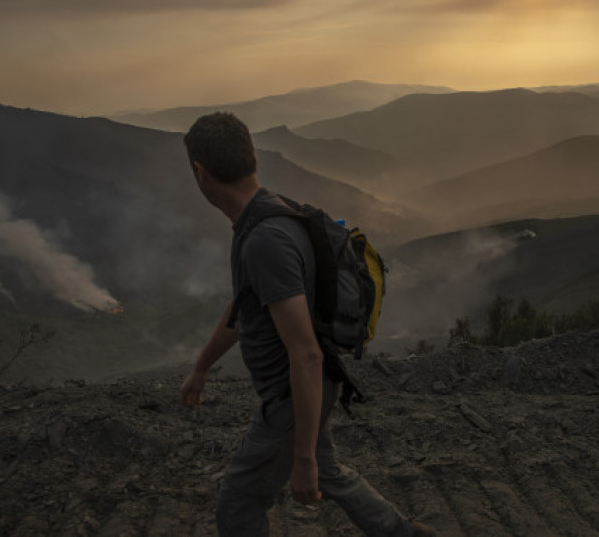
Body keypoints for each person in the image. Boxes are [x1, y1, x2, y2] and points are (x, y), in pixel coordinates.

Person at [179, 112, 435, 537]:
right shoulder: (270, 214)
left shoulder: (264, 239)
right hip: (312, 389)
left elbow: (306, 354)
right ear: (251, 157)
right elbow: (246, 304)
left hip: (291, 397)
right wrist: (203, 366)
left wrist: (302, 461)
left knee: (239, 506)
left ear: (200, 173)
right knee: (331, 470)